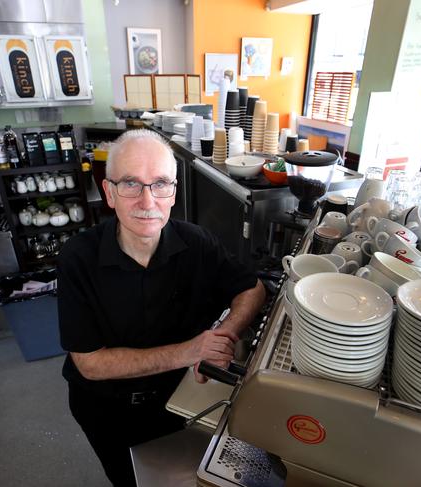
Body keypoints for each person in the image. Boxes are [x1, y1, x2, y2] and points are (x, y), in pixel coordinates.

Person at [57, 129, 265, 486]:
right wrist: (190, 351)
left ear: (173, 192)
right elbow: (90, 363)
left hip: (182, 398)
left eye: (160, 184)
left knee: (188, 477)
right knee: (133, 480)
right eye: (131, 184)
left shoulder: (196, 243)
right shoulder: (78, 257)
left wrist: (223, 335)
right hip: (109, 411)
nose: (147, 201)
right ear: (109, 193)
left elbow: (252, 288)